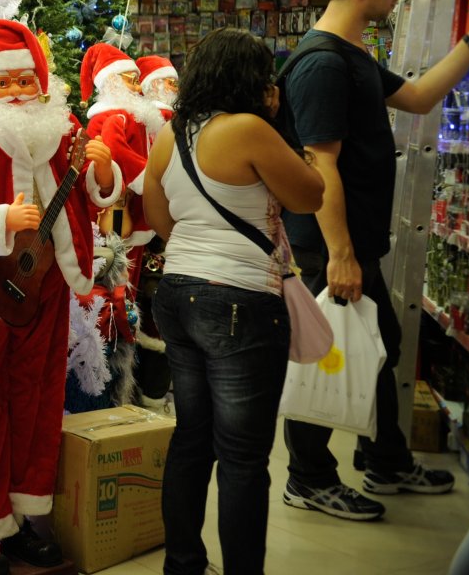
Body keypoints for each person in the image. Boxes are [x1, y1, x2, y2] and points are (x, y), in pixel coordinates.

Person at [279, 0, 469, 521]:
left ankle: (384, 458)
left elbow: (421, 97)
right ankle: (307, 477)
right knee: (325, 353)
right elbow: (319, 163)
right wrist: (340, 254)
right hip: (330, 248)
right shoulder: (324, 64)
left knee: (379, 343)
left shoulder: (351, 57)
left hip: (353, 243)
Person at [0, 19, 121, 575]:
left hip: (49, 287)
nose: (15, 91)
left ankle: (19, 522)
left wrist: (104, 170)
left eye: (24, 79)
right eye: (1, 82)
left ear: (41, 82)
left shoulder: (64, 136)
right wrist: (1, 220)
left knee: (37, 402)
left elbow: (91, 201)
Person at [143, 28, 324, 575]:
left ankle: (183, 564)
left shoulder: (171, 135)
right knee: (244, 457)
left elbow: (157, 215)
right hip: (241, 300)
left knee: (192, 439)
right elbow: (309, 194)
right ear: (252, 81)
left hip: (178, 293)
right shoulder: (249, 129)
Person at [82, 43, 170, 406]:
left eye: (138, 79)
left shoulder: (136, 117)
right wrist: (149, 178)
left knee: (128, 290)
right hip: (119, 219)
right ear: (108, 82)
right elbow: (117, 154)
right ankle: (114, 375)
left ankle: (128, 374)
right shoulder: (112, 117)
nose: (137, 87)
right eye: (128, 79)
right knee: (119, 291)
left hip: (135, 217)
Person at [138, 53, 178, 120]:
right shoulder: (161, 114)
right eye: (172, 83)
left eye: (176, 84)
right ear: (155, 85)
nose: (176, 89)